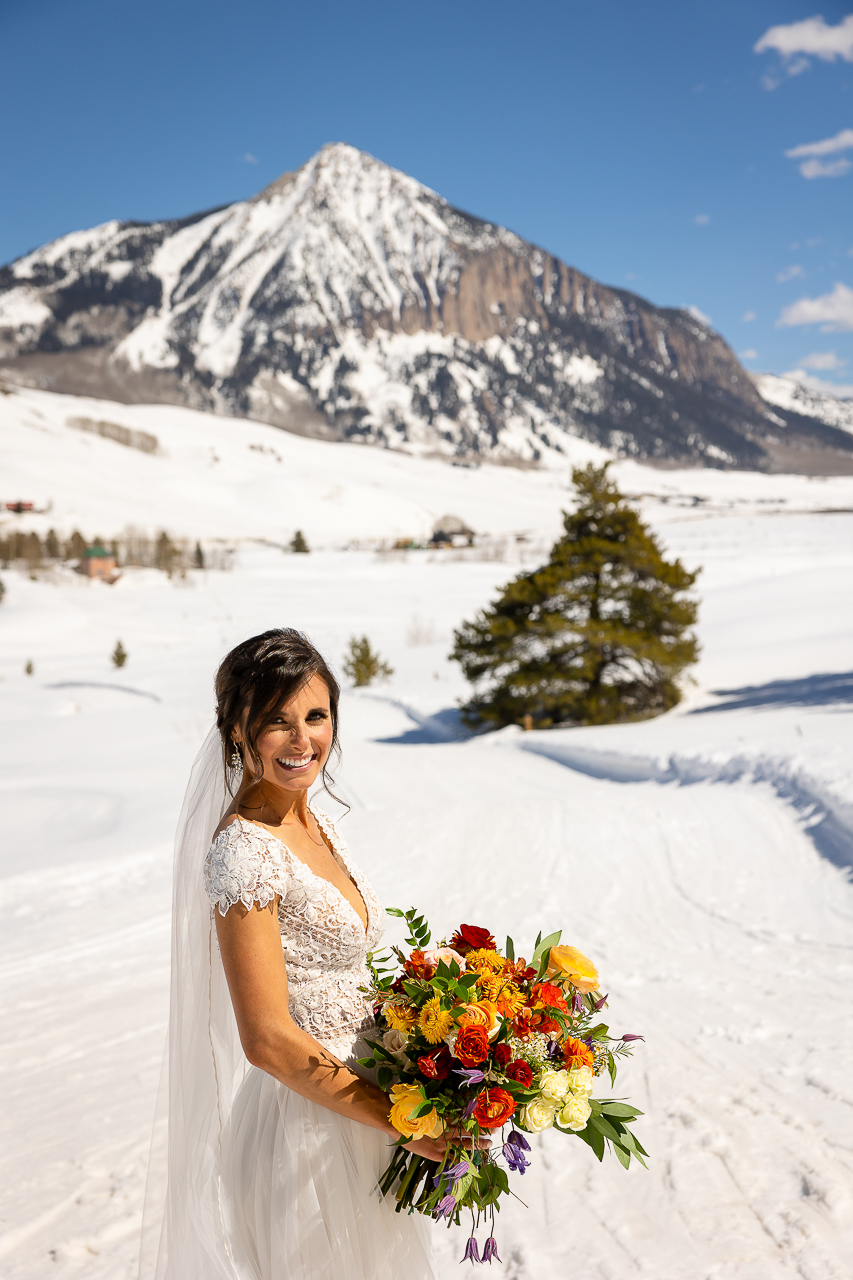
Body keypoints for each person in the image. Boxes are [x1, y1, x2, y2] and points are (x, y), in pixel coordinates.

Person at [142, 628, 458, 1280]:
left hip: (370, 1106)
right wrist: (401, 1122)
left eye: (315, 716)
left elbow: (338, 972)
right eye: (275, 722)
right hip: (310, 1131)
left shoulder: (319, 823)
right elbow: (265, 1039)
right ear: (236, 730)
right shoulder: (245, 850)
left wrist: (437, 1022)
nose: (301, 739)